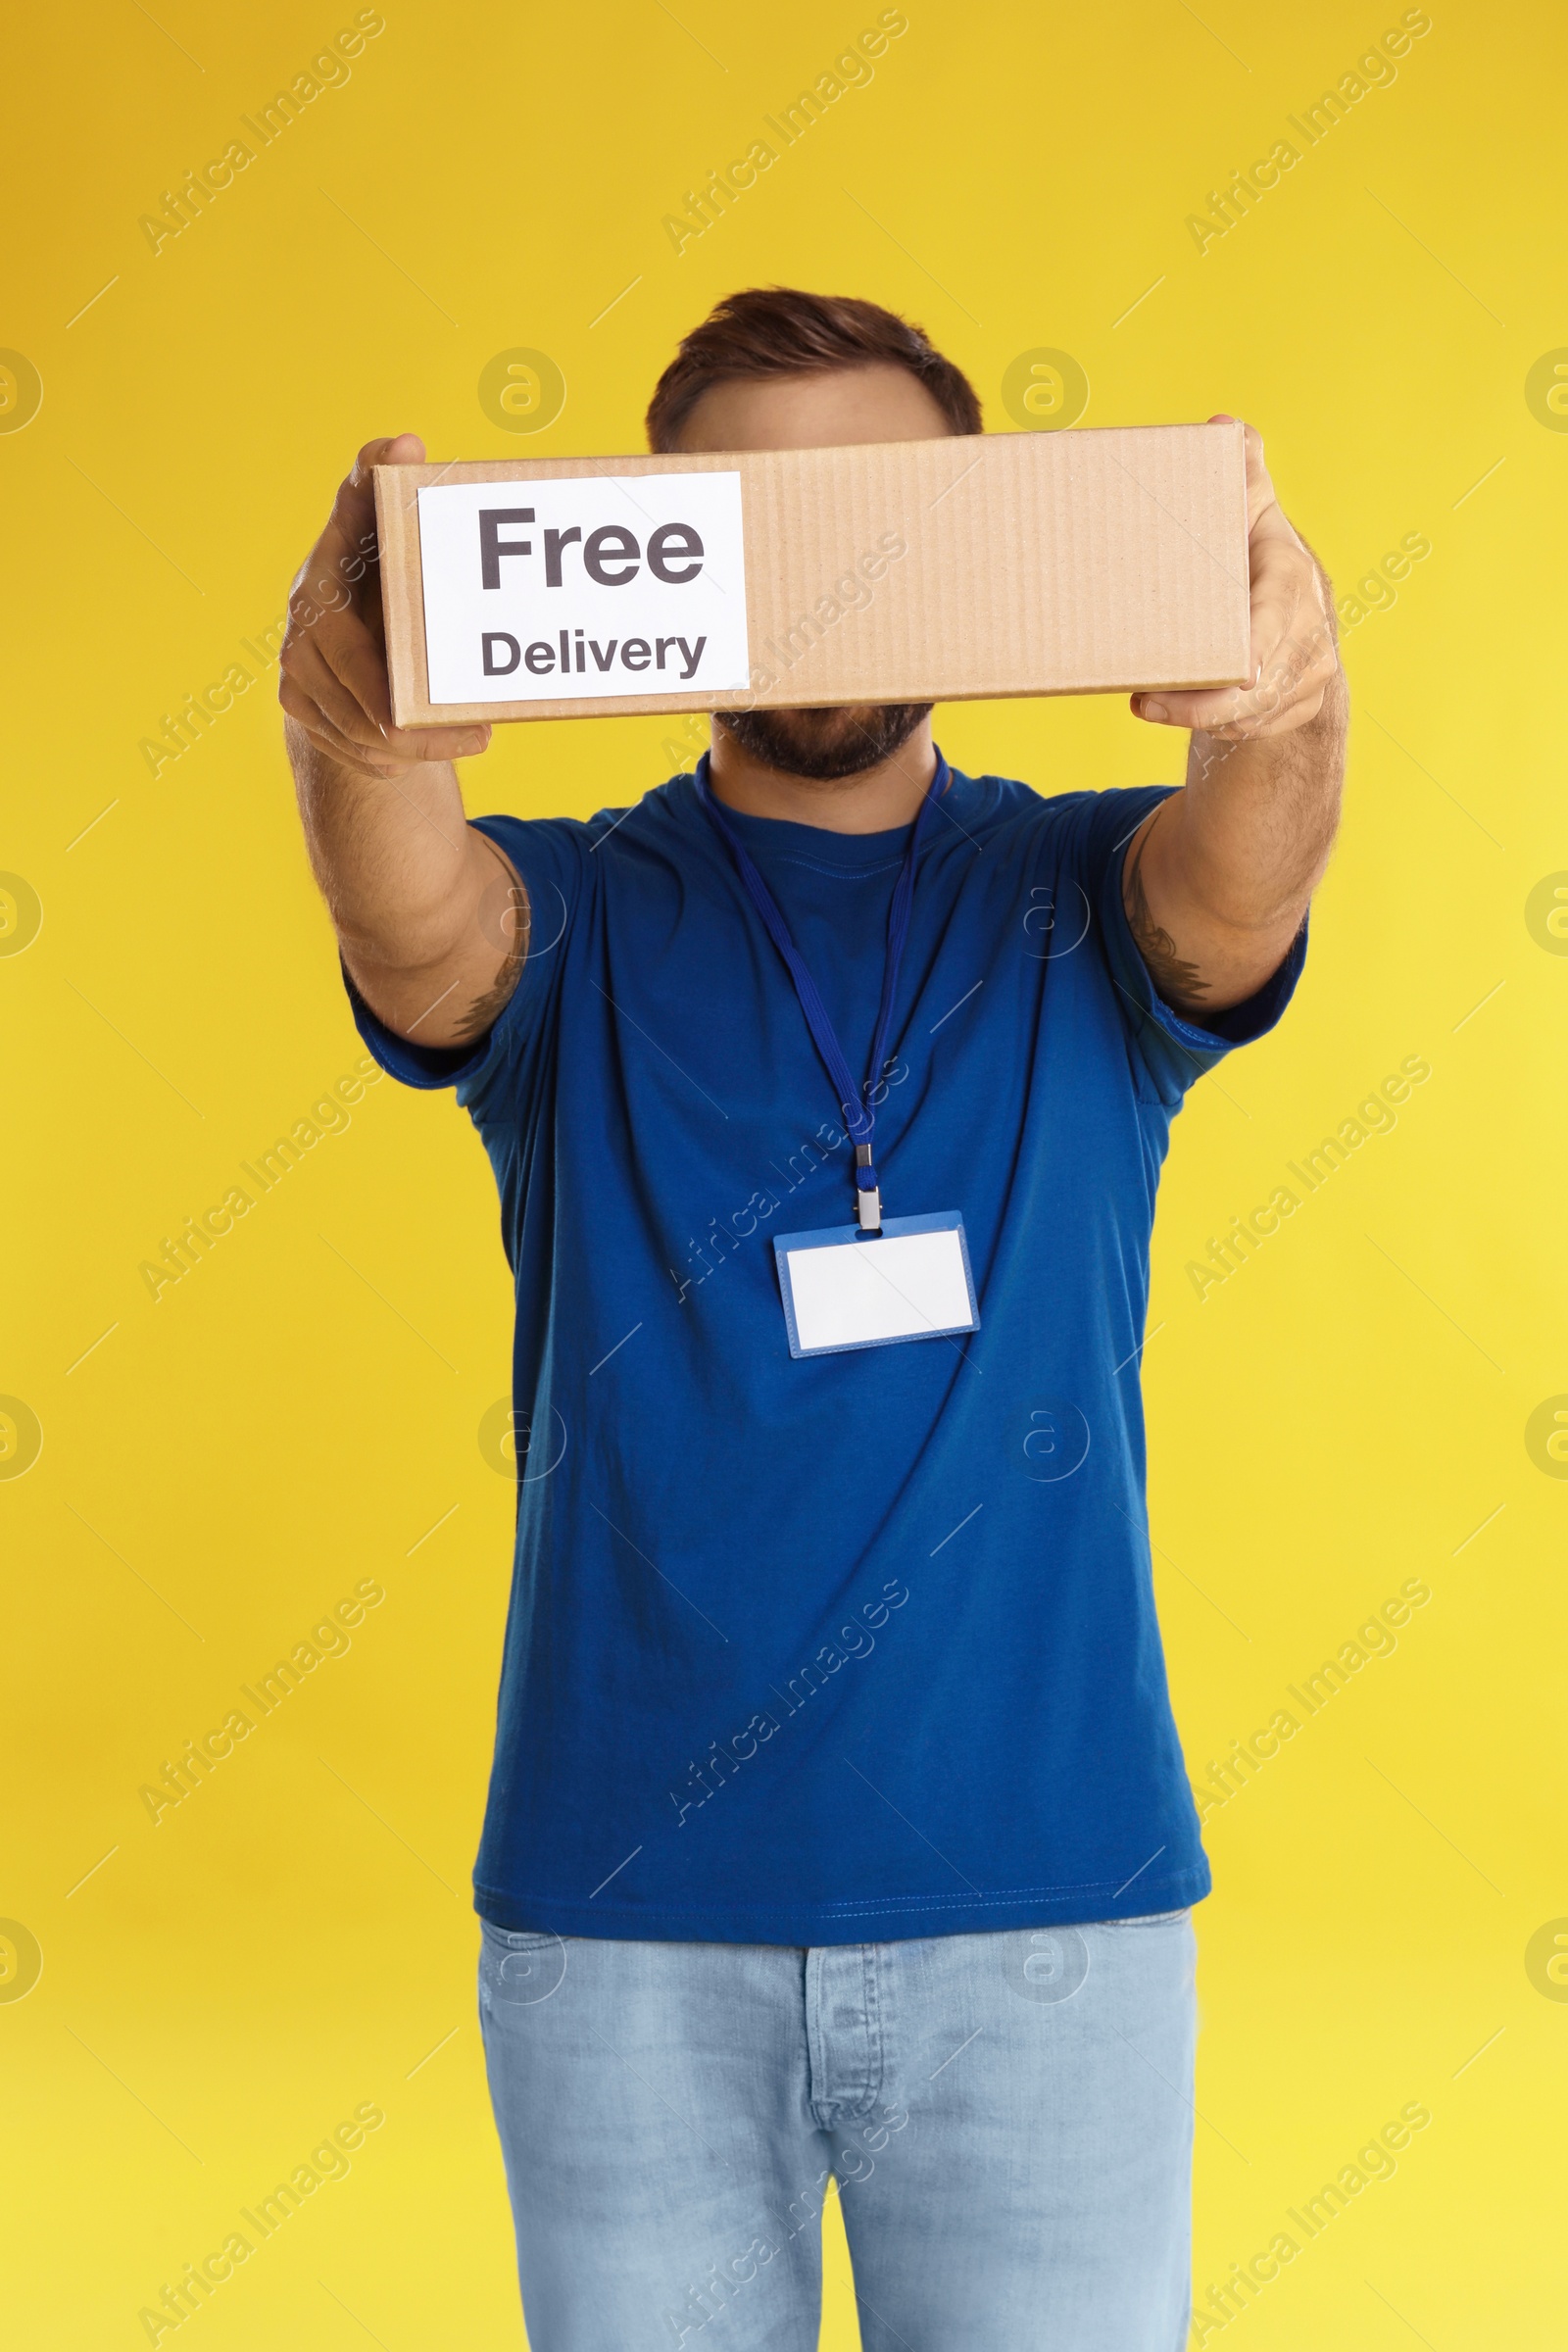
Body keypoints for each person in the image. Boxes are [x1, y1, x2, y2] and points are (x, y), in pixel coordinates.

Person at [280, 287, 1345, 2351]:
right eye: (752, 527)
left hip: (1047, 1923)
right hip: (622, 1938)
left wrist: (1281, 702)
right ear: (663, 565)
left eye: (873, 519)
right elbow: (406, 919)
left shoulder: (1081, 893)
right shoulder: (569, 918)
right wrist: (344, 723)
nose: (823, 584)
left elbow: (1244, 876)